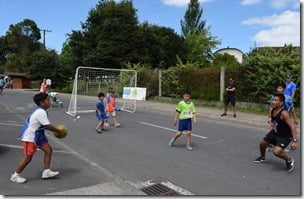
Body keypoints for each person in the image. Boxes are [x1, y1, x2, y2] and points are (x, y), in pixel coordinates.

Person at [10, 93, 66, 183]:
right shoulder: (41, 112)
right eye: (48, 100)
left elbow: (45, 126)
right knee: (28, 157)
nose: (50, 102)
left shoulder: (42, 110)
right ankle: (15, 175)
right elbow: (47, 126)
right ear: (42, 102)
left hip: (38, 135)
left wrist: (57, 131)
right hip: (30, 137)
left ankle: (46, 172)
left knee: (48, 150)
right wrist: (59, 131)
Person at [254, 93, 297, 173]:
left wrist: (294, 141)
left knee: (276, 152)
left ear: (281, 103)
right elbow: (271, 117)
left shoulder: (284, 113)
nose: (272, 101)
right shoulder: (273, 109)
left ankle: (289, 160)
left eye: (275, 100)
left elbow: (293, 126)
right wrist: (270, 119)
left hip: (285, 136)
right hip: (275, 132)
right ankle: (262, 157)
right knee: (262, 143)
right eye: (273, 100)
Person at [266, 83, 298, 152]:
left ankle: (284, 144)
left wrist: (295, 118)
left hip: (284, 118)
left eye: (280, 88)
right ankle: (272, 144)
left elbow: (292, 108)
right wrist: (269, 117)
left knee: (286, 131)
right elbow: (271, 107)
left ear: (284, 89)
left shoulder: (288, 97)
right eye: (277, 88)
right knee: (274, 130)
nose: (278, 89)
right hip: (276, 118)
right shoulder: (273, 97)